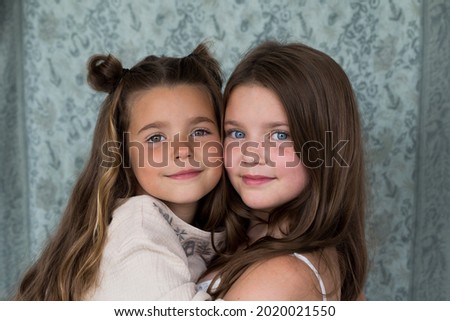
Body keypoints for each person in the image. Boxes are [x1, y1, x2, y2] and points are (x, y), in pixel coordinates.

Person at [13, 43, 226, 300]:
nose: (182, 150)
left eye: (199, 132)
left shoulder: (188, 228)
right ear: (123, 153)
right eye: (156, 137)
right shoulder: (140, 231)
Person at [200, 41, 368, 300]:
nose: (250, 155)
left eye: (279, 135)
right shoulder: (248, 235)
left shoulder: (280, 278)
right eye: (236, 133)